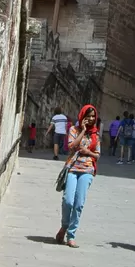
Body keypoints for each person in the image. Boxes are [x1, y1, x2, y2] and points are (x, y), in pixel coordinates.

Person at [55, 104, 100, 247]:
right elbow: (71, 146)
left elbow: (97, 155)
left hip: (87, 170)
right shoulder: (73, 130)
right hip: (73, 168)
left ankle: (71, 235)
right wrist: (83, 130)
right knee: (68, 200)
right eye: (88, 116)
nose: (91, 119)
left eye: (93, 116)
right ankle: (64, 226)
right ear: (82, 116)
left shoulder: (96, 134)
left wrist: (88, 152)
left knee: (79, 204)